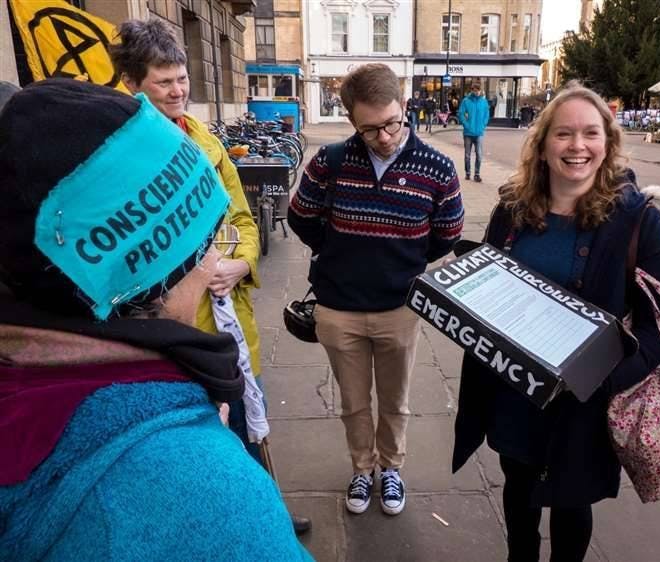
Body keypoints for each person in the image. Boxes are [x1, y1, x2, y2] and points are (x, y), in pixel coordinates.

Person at [0, 78, 312, 561]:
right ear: (152, 273)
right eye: (205, 245)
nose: (213, 261)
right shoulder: (212, 500)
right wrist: (189, 449)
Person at [452, 83, 660, 562]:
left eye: (590, 134)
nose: (578, 146)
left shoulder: (638, 220)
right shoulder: (511, 210)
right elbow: (493, 293)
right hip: (516, 394)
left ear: (608, 142)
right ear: (542, 144)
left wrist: (600, 381)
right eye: (564, 134)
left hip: (586, 405)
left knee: (571, 502)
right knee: (518, 488)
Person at [109, 18, 311, 534]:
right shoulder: (118, 153)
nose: (178, 90)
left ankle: (267, 516)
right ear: (132, 83)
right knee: (197, 445)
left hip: (231, 326)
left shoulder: (205, 139)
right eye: (164, 82)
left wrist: (242, 262)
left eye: (182, 78)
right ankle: (224, 530)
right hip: (174, 335)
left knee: (251, 424)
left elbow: (242, 219)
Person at [287, 63, 464, 516]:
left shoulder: (438, 168)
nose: (384, 136)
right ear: (351, 121)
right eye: (370, 129)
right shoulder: (330, 161)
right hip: (338, 308)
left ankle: (391, 470)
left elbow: (447, 233)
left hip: (400, 308)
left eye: (392, 123)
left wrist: (401, 261)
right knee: (352, 402)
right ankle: (362, 470)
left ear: (404, 108)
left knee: (395, 402)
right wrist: (340, 252)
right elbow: (300, 216)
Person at [458, 81, 490, 182]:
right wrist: (466, 125)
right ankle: (468, 173)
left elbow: (486, 114)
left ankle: (477, 174)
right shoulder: (466, 101)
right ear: (472, 90)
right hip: (468, 133)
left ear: (480, 91)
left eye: (478, 90)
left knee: (479, 155)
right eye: (475, 90)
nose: (476, 92)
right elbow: (461, 113)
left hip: (479, 133)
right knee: (467, 155)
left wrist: (483, 125)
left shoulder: (484, 102)